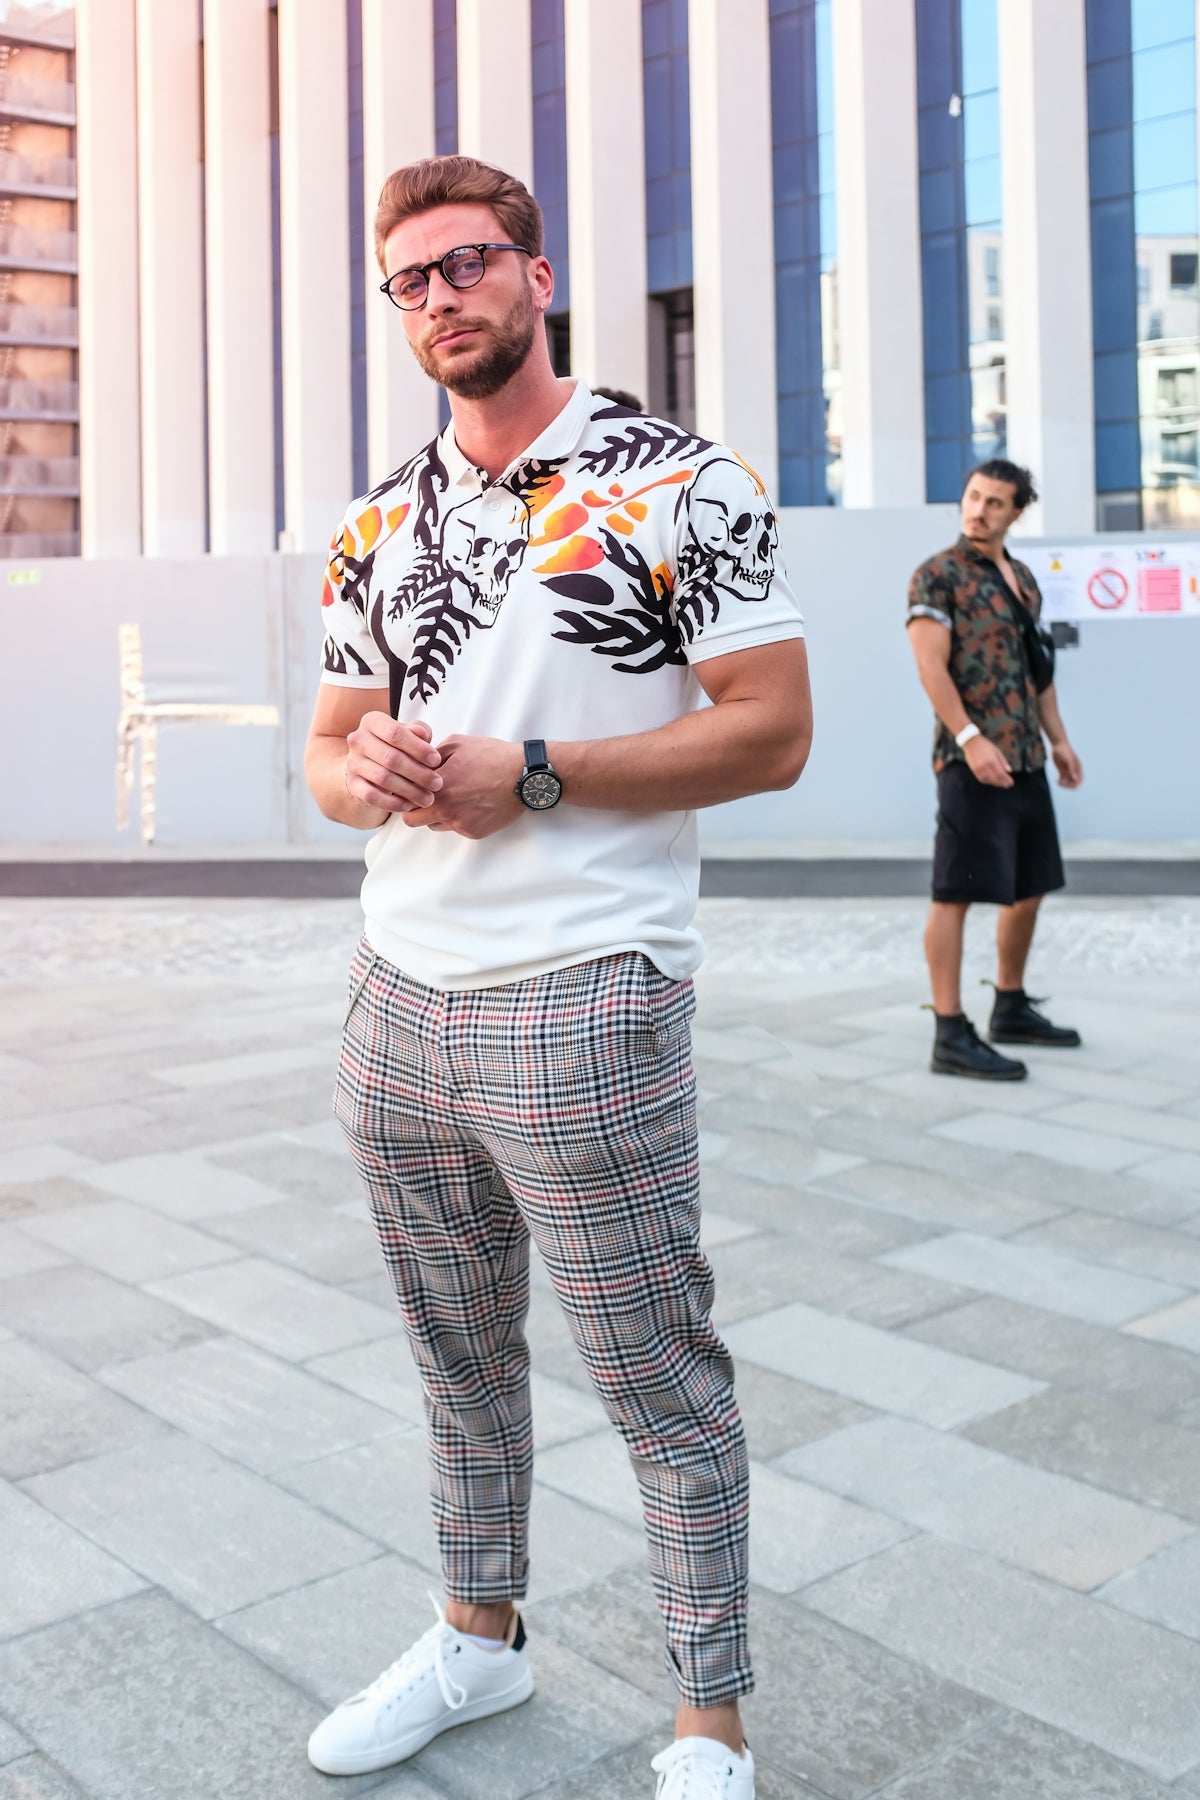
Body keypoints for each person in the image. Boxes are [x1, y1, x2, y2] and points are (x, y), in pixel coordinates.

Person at [304, 153, 811, 1799]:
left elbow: (771, 730)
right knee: (455, 1357)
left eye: (466, 265)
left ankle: (708, 1721)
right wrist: (367, 765)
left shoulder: (676, 480)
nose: (440, 299)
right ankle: (477, 1638)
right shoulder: (380, 517)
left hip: (585, 983)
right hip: (399, 990)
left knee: (654, 1371)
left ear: (535, 271)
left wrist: (531, 771)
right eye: (410, 281)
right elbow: (321, 753)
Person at [906, 459, 1084, 1080]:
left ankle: (1009, 1004)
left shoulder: (1025, 580)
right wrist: (971, 737)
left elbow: (1040, 675)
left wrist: (1059, 741)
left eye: (995, 502)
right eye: (974, 496)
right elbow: (931, 668)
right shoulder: (937, 575)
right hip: (968, 759)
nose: (979, 509)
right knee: (953, 892)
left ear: (1015, 513)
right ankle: (949, 1032)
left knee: (1030, 885)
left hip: (1026, 758)